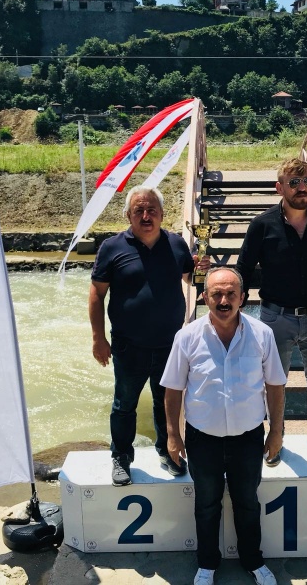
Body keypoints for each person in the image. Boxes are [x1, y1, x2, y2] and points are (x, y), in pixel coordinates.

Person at [162, 266, 285, 585]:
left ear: (243, 297)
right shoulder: (186, 337)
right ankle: (207, 564)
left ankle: (253, 560)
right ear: (205, 297)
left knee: (248, 502)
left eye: (231, 293)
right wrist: (173, 435)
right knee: (206, 504)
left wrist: (276, 431)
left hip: (248, 437)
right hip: (202, 439)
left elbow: (275, 385)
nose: (224, 300)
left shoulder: (262, 334)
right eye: (217, 294)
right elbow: (173, 390)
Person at [89, 185, 208, 486]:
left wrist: (200, 268)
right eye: (139, 210)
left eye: (151, 210)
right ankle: (121, 457)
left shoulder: (176, 244)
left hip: (170, 344)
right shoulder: (112, 247)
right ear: (128, 215)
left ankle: (167, 451)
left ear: (162, 214)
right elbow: (96, 294)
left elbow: (189, 277)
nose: (146, 216)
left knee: (165, 401)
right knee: (124, 404)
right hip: (128, 345)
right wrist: (98, 338)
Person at [237, 158, 307, 468]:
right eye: (295, 183)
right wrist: (231, 305)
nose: (303, 188)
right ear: (280, 188)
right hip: (275, 317)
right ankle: (276, 437)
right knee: (274, 382)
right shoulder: (262, 225)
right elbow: (243, 269)